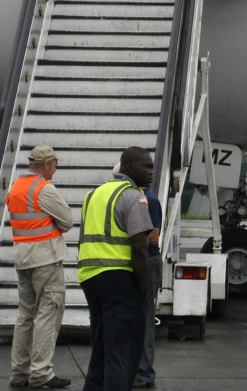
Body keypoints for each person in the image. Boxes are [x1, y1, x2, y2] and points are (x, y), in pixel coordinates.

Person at [78, 147, 155, 391]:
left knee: (100, 350)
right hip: (120, 280)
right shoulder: (134, 196)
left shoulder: (94, 194)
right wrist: (143, 291)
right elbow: (140, 248)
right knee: (122, 354)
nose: (152, 172)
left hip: (90, 278)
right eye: (147, 167)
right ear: (129, 167)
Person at [6, 146, 74, 389]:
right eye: (55, 165)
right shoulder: (44, 188)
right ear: (46, 165)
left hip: (23, 259)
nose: (55, 170)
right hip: (46, 259)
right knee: (48, 313)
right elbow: (67, 220)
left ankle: (19, 372)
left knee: (25, 315)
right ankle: (41, 372)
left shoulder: (16, 188)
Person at [134, 185, 162, 388]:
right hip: (140, 260)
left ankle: (145, 373)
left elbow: (153, 237)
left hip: (148, 260)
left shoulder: (148, 200)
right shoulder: (136, 198)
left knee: (145, 316)